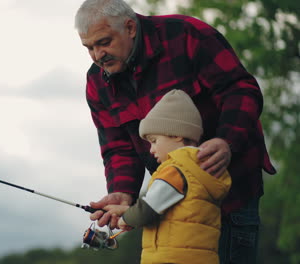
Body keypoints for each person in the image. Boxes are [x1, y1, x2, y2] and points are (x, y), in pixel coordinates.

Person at [74, 0, 276, 263]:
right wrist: (122, 191)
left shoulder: (187, 36)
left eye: (104, 42)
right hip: (170, 208)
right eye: (89, 47)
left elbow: (240, 90)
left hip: (233, 192)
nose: (97, 55)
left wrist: (227, 141)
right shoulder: (96, 83)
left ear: (130, 27)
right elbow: (117, 148)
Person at [104, 89, 232, 263]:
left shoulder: (175, 170)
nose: (151, 150)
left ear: (176, 134)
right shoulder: (203, 171)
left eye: (154, 141)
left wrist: (126, 219)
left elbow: (147, 210)